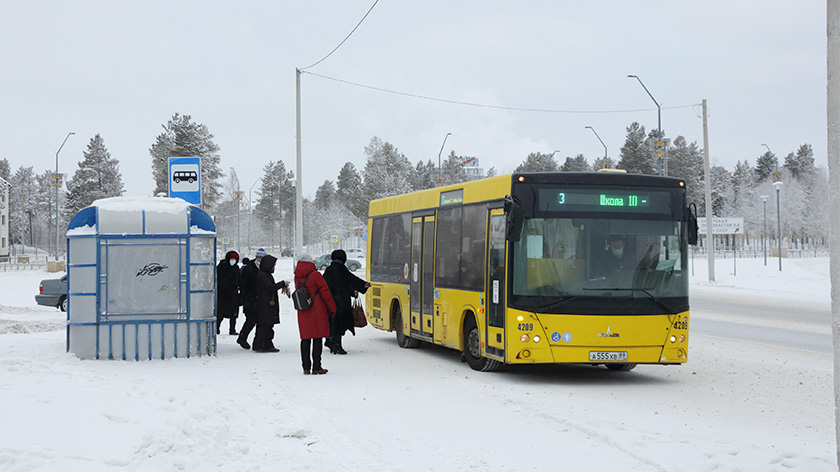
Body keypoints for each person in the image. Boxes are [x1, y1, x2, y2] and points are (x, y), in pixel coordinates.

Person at [294, 254, 336, 374]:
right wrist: (332, 308)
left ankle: (306, 367)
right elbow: (325, 292)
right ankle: (317, 366)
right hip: (317, 310)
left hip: (303, 310)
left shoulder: (297, 276)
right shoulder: (315, 275)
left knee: (305, 339)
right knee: (317, 338)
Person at [322, 249, 370, 355]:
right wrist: (364, 285)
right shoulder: (341, 269)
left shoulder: (329, 270)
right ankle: (337, 346)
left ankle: (329, 341)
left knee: (332, 322)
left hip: (330, 302)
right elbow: (350, 281)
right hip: (341, 302)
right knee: (339, 324)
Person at [254, 254, 289, 353]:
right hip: (265, 305)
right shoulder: (263, 276)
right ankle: (261, 344)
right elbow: (271, 288)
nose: (274, 267)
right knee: (265, 326)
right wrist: (282, 283)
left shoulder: (265, 275)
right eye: (273, 265)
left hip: (267, 305)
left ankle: (266, 344)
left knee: (267, 326)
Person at [237, 248, 265, 350]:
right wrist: (246, 300)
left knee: (256, 320)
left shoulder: (262, 268)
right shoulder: (249, 268)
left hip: (258, 299)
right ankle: (242, 338)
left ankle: (253, 340)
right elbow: (243, 285)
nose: (260, 260)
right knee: (251, 320)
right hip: (249, 299)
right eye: (259, 257)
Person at [216, 250, 241, 335]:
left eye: (235, 259)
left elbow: (239, 279)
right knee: (220, 313)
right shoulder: (221, 267)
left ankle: (232, 329)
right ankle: (216, 328)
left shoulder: (236, 268)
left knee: (233, 314)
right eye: (231, 259)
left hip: (233, 295)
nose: (233, 261)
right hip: (223, 295)